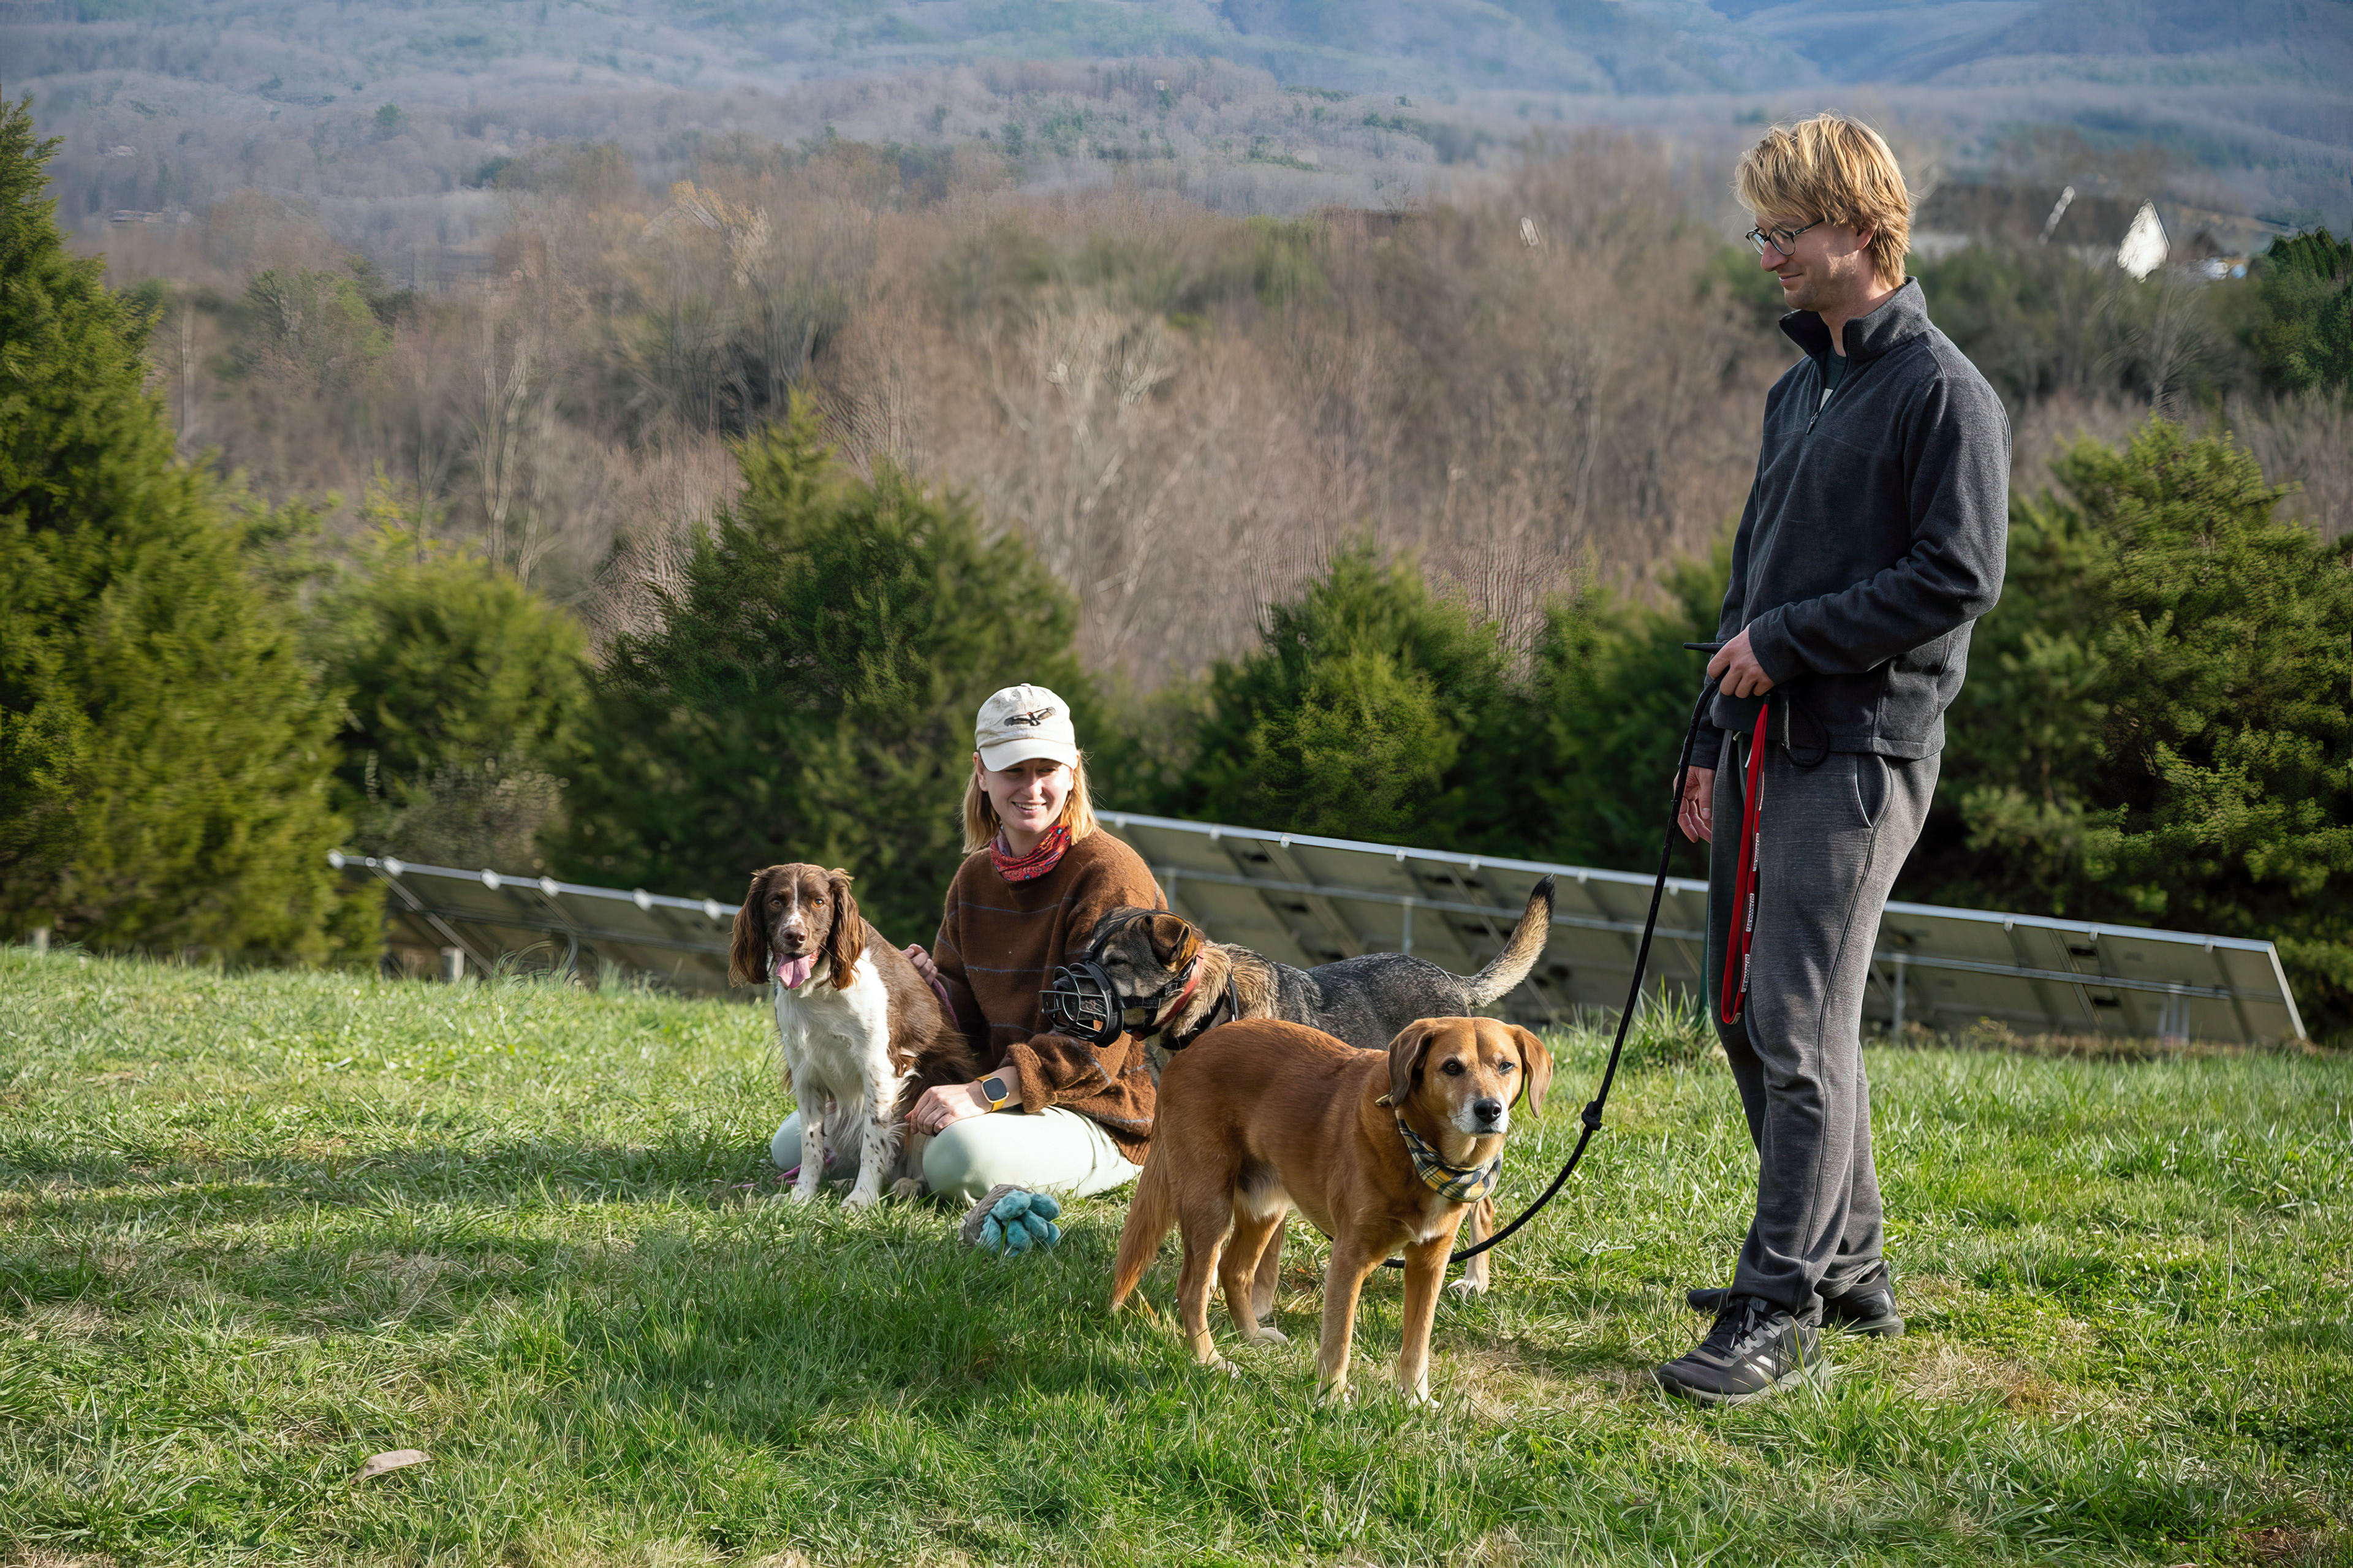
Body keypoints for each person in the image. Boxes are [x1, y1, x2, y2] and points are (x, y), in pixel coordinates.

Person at [1653, 114, 2009, 1405]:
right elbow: (1753, 577)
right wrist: (1709, 734)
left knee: (1798, 1022)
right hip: (1761, 740)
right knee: (1747, 1015)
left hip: (1861, 753)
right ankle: (1847, 1262)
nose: (1767, 254)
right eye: (1760, 231)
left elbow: (1959, 575)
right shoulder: (1800, 386)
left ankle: (1780, 1301)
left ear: (1862, 228)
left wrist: (1790, 645)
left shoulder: (1945, 394)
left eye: (1785, 231)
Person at [769, 683, 1162, 1209]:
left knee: (955, 1158)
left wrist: (984, 1094)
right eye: (1013, 770)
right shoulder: (975, 876)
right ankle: (922, 1160)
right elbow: (962, 1022)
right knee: (791, 1141)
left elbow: (1093, 1049)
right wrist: (923, 990)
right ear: (981, 772)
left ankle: (1100, 1167)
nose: (1032, 787)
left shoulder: (1111, 874)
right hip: (1005, 1095)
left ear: (1073, 772)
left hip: (1098, 1109)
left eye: (1046, 769)